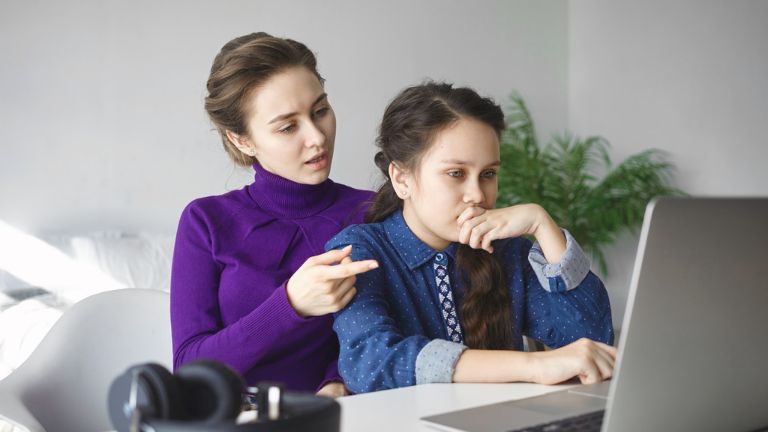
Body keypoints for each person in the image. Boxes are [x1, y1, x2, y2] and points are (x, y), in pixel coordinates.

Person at [326, 82, 616, 394]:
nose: (477, 195)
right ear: (402, 178)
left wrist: (542, 224)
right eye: (456, 174)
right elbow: (372, 362)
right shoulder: (360, 251)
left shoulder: (507, 250)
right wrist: (533, 366)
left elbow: (592, 341)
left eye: (489, 174)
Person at [170, 32, 378, 397]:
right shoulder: (206, 221)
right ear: (242, 140)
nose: (317, 137)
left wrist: (339, 382)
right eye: (287, 126)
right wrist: (290, 304)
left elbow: (392, 331)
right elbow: (190, 370)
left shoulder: (371, 212)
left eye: (320, 111)